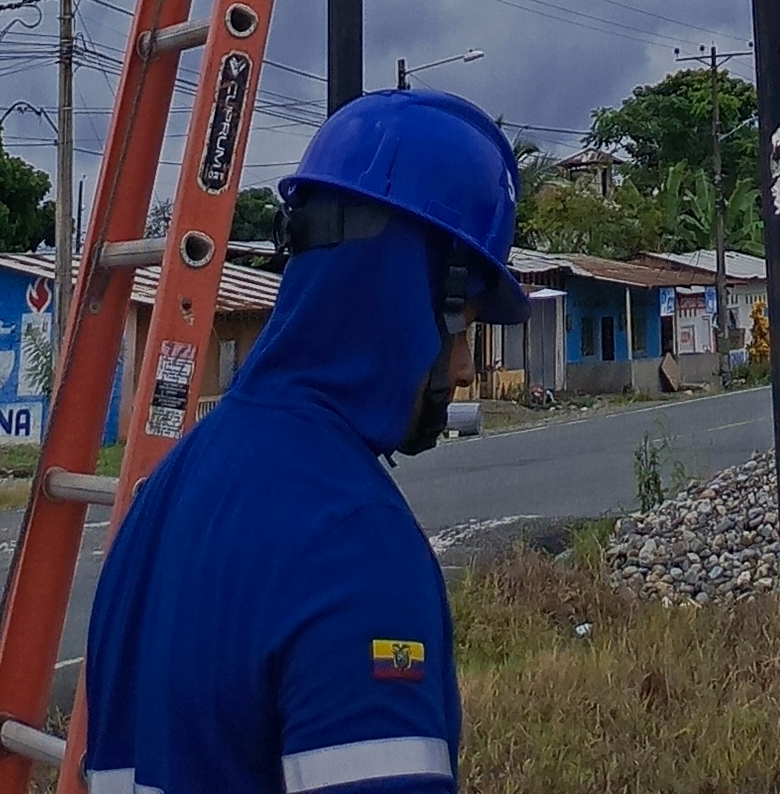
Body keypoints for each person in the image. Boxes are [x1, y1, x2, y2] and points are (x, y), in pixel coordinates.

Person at [83, 89, 527, 794]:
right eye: (465, 322)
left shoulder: (158, 503)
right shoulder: (353, 542)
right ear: (408, 292)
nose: (466, 366)